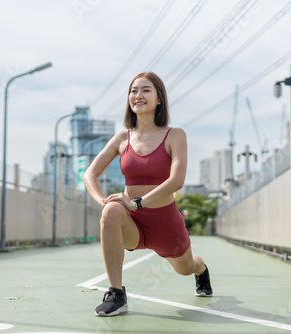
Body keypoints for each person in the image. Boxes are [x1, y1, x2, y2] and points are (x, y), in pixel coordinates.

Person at [83, 72, 212, 317]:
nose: (138, 96)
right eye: (133, 90)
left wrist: (137, 203)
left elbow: (177, 180)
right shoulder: (123, 137)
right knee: (111, 209)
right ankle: (116, 293)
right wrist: (105, 201)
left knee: (185, 268)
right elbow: (89, 175)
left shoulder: (175, 135)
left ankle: (201, 269)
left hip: (165, 223)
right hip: (132, 221)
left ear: (159, 98)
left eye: (146, 90)